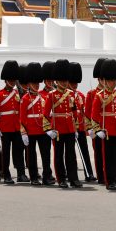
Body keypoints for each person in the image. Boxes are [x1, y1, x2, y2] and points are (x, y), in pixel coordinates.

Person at [90, 58, 116, 191]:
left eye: (114, 80)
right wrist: (97, 130)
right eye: (111, 80)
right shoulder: (99, 96)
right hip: (106, 131)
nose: (113, 83)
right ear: (105, 80)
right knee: (108, 157)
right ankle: (110, 181)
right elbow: (94, 116)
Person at [44, 59, 82, 188]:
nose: (65, 83)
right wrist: (48, 129)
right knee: (59, 155)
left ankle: (73, 178)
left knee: (71, 155)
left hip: (70, 128)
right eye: (62, 80)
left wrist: (75, 128)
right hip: (58, 129)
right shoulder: (52, 95)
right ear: (57, 81)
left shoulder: (71, 94)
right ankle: (61, 178)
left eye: (66, 80)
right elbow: (45, 114)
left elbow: (74, 112)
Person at [0, 61, 26, 185]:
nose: (12, 82)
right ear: (6, 80)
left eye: (14, 80)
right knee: (6, 153)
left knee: (19, 151)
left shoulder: (18, 93)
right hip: (5, 128)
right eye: (10, 80)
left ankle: (21, 174)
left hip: (17, 127)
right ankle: (6, 174)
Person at [69, 62, 96, 182]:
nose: (75, 85)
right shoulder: (65, 96)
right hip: (70, 128)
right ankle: (71, 174)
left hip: (80, 128)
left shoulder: (80, 95)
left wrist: (87, 127)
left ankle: (89, 173)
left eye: (76, 83)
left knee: (84, 151)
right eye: (72, 83)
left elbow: (84, 112)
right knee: (70, 154)